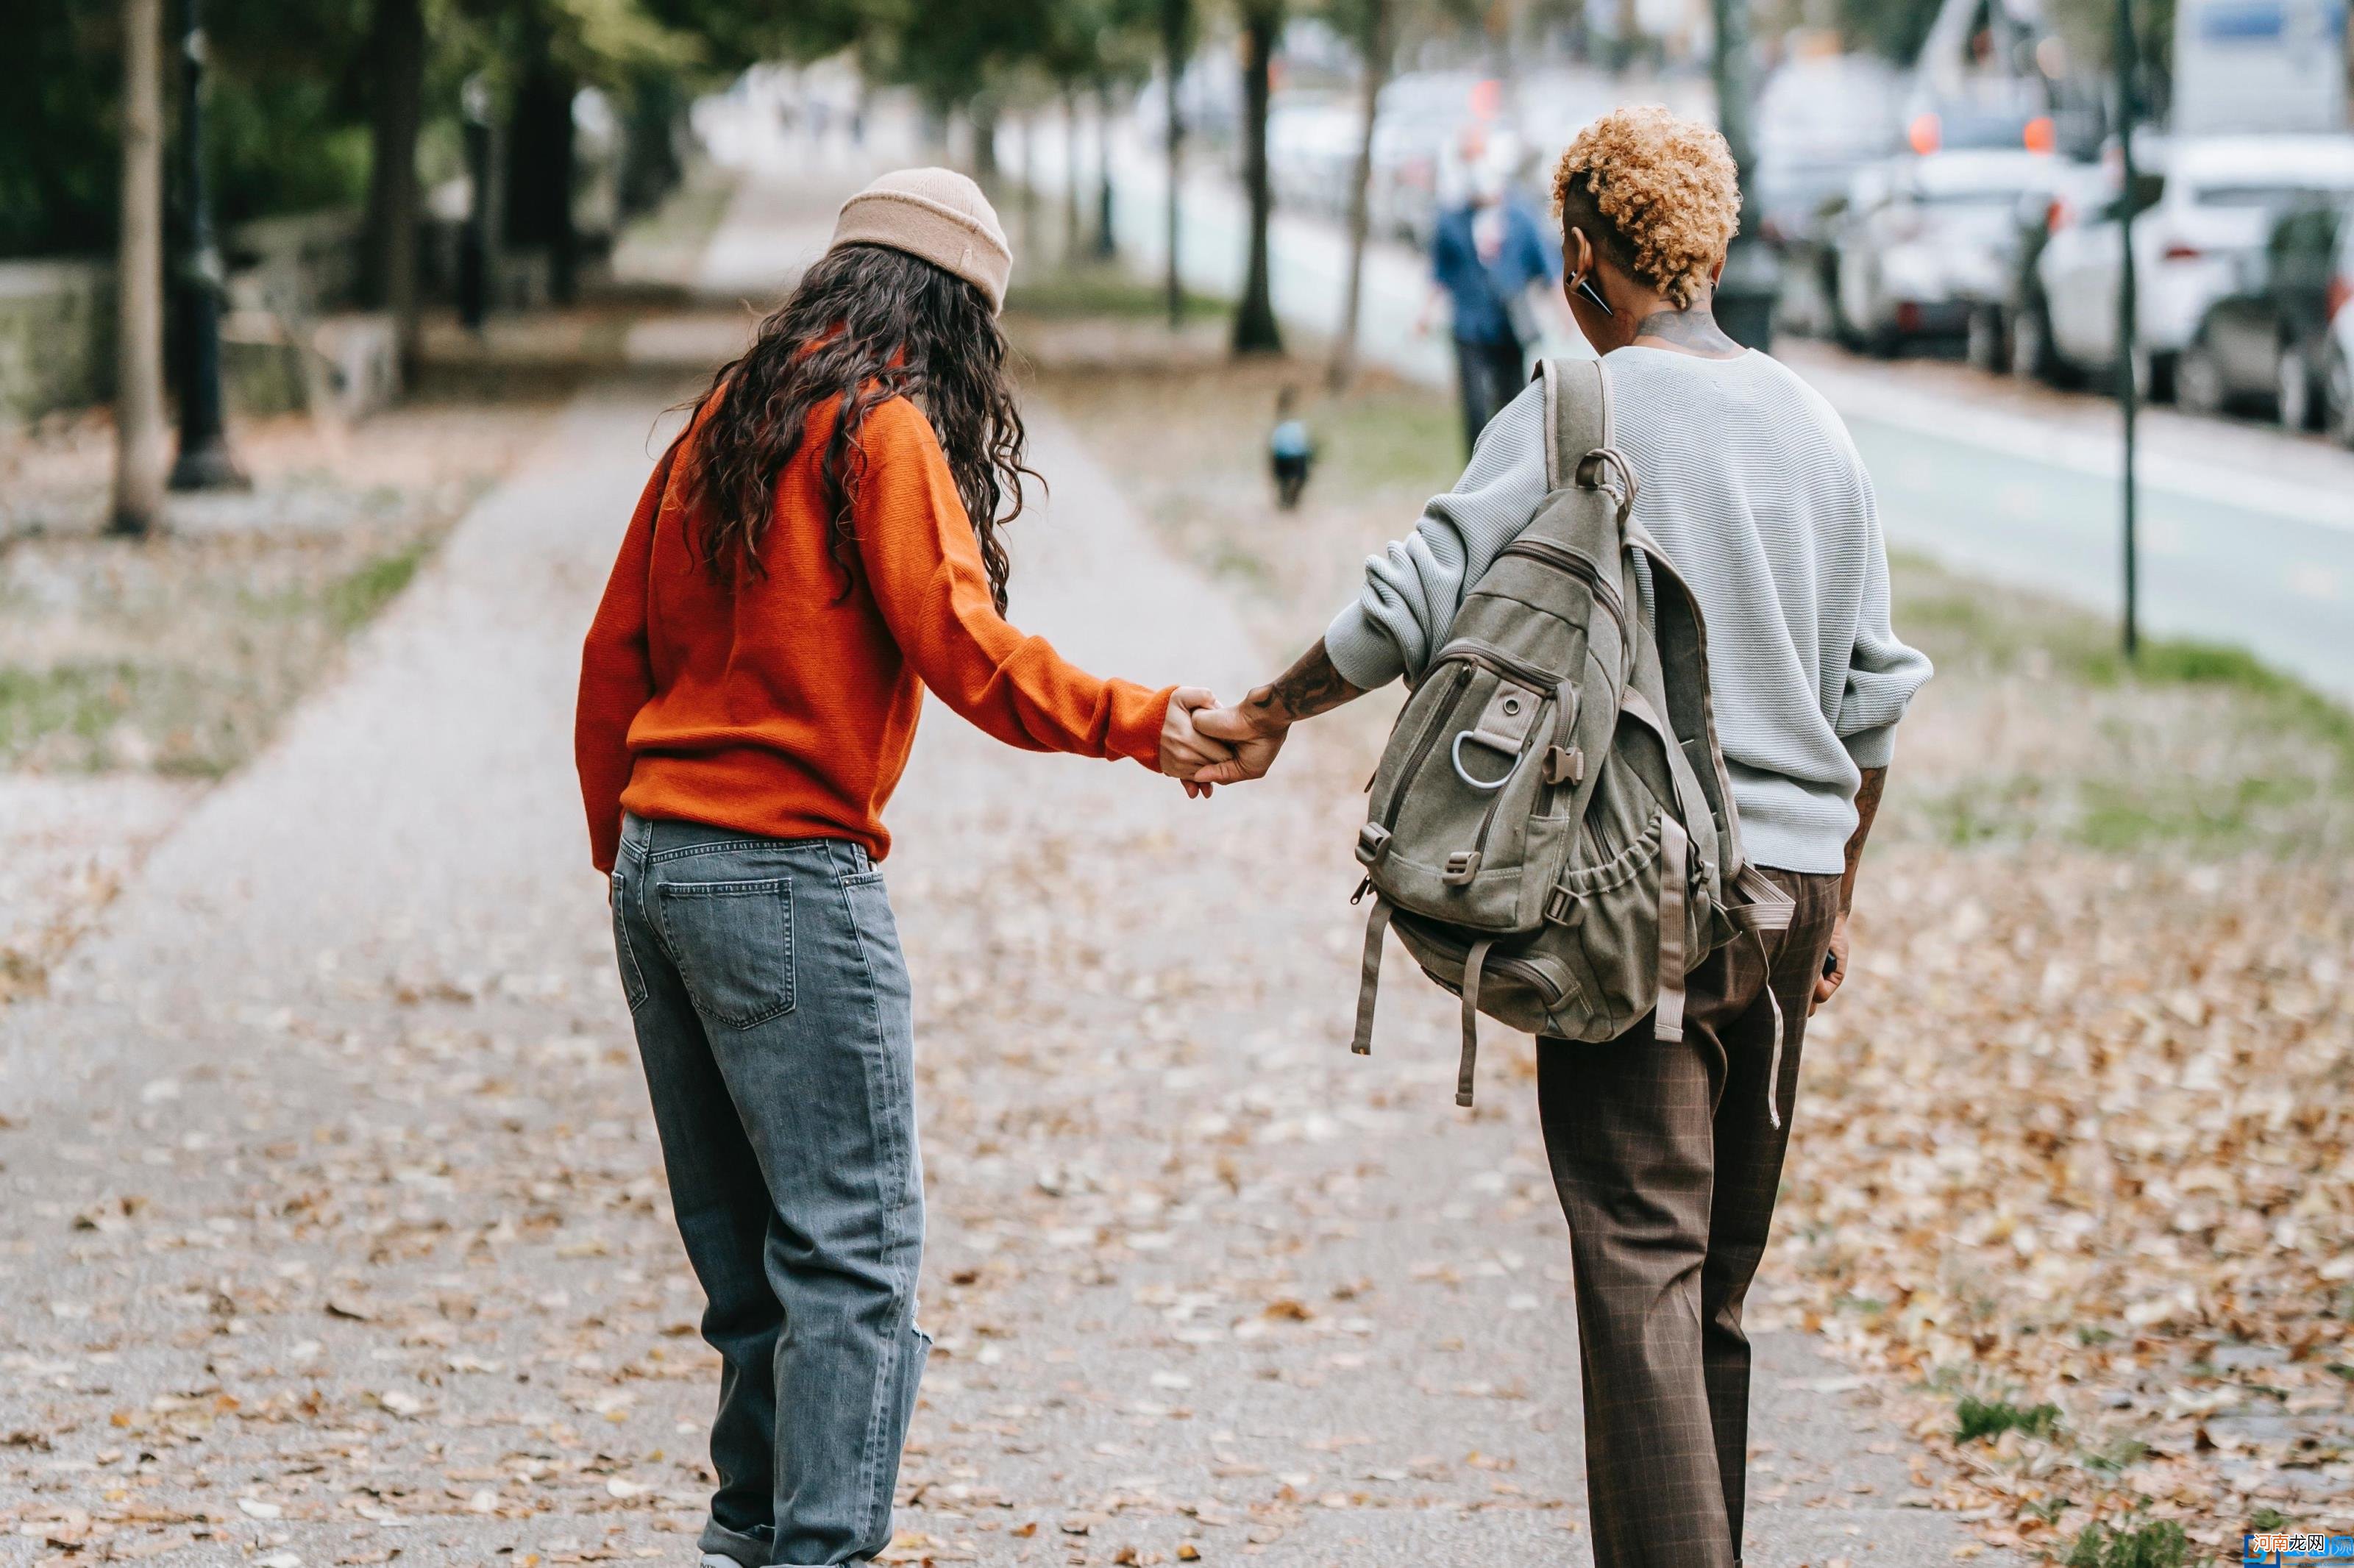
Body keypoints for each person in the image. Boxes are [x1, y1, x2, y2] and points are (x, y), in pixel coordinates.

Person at [1194, 107, 1932, 1568]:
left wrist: (1276, 707)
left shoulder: (1571, 405)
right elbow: (1874, 700)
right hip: (1784, 901)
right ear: (1708, 250)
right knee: (1711, 1288)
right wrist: (1835, 902)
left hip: (1634, 896)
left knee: (1640, 1273)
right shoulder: (1816, 423)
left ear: (1586, 254)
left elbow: (1410, 598)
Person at [573, 168, 1231, 1568]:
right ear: (955, 320)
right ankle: (815, 1552)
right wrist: (1148, 720)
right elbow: (967, 648)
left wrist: (632, 862)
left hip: (661, 872)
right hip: (788, 875)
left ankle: (746, 1539)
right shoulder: (882, 431)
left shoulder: (720, 424)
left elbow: (609, 658)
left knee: (748, 1262)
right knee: (853, 1255)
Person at [1420, 135, 1559, 457]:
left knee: (1513, 401)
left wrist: (1564, 314)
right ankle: (1475, 469)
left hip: (1509, 327)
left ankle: (1512, 467)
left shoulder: (1520, 216)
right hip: (1469, 326)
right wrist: (1424, 315)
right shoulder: (1451, 219)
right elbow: (1440, 273)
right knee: (1475, 405)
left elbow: (1546, 270)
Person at [1268, 385, 1315, 510]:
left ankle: (1288, 499)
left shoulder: (1284, 423)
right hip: (1290, 454)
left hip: (1288, 453)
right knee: (1295, 478)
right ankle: (1288, 499)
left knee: (1290, 479)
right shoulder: (1288, 423)